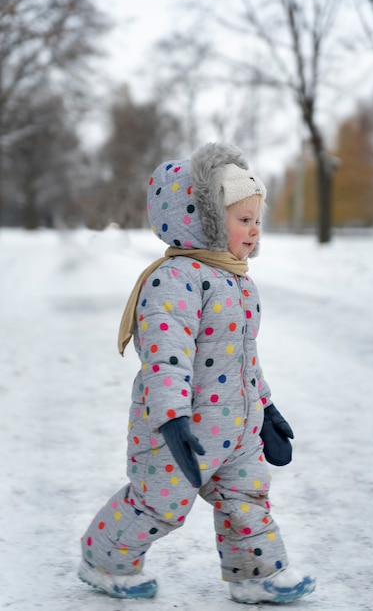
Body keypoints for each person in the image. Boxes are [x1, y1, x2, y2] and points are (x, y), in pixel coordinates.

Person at [78, 142, 316, 604]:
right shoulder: (175, 279)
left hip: (237, 426)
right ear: (203, 218)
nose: (254, 230)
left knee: (246, 500)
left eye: (257, 219)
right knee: (158, 504)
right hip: (180, 428)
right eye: (243, 219)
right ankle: (104, 559)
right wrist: (171, 417)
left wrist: (264, 406)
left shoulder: (239, 281)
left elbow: (244, 355)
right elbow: (167, 356)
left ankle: (256, 574)